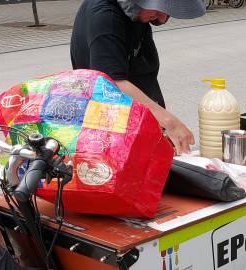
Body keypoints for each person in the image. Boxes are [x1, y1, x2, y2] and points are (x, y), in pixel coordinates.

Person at [70, 0, 205, 155]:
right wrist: (169, 123)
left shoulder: (138, 13)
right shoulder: (105, 18)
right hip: (104, 128)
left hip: (130, 122)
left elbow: (144, 74)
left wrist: (159, 125)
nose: (161, 19)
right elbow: (112, 84)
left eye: (167, 12)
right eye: (158, 10)